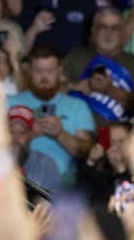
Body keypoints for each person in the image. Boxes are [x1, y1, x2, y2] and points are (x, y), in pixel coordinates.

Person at [7, 44, 96, 186]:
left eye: (49, 71)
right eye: (38, 71)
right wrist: (29, 134)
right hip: (17, 180)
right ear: (28, 71)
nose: (44, 77)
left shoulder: (77, 106)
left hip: (63, 186)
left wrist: (59, 133)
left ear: (59, 71)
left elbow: (86, 150)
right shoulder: (10, 103)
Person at [63, 7, 134, 124]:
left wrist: (109, 89)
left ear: (122, 33)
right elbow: (49, 88)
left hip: (118, 137)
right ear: (93, 30)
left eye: (115, 28)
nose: (109, 33)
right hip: (78, 132)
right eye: (103, 27)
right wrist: (75, 86)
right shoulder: (76, 56)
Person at [7, 105, 61, 193]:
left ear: (31, 135)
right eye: (11, 132)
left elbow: (56, 202)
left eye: (22, 133)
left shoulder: (45, 164)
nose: (15, 138)